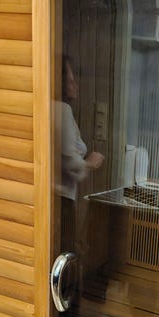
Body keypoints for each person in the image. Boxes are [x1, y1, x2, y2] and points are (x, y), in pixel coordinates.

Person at [59, 56, 104, 252]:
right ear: (59, 83)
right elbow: (69, 162)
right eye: (70, 81)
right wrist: (90, 163)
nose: (75, 85)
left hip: (60, 197)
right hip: (61, 199)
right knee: (66, 252)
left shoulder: (55, 109)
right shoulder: (62, 110)